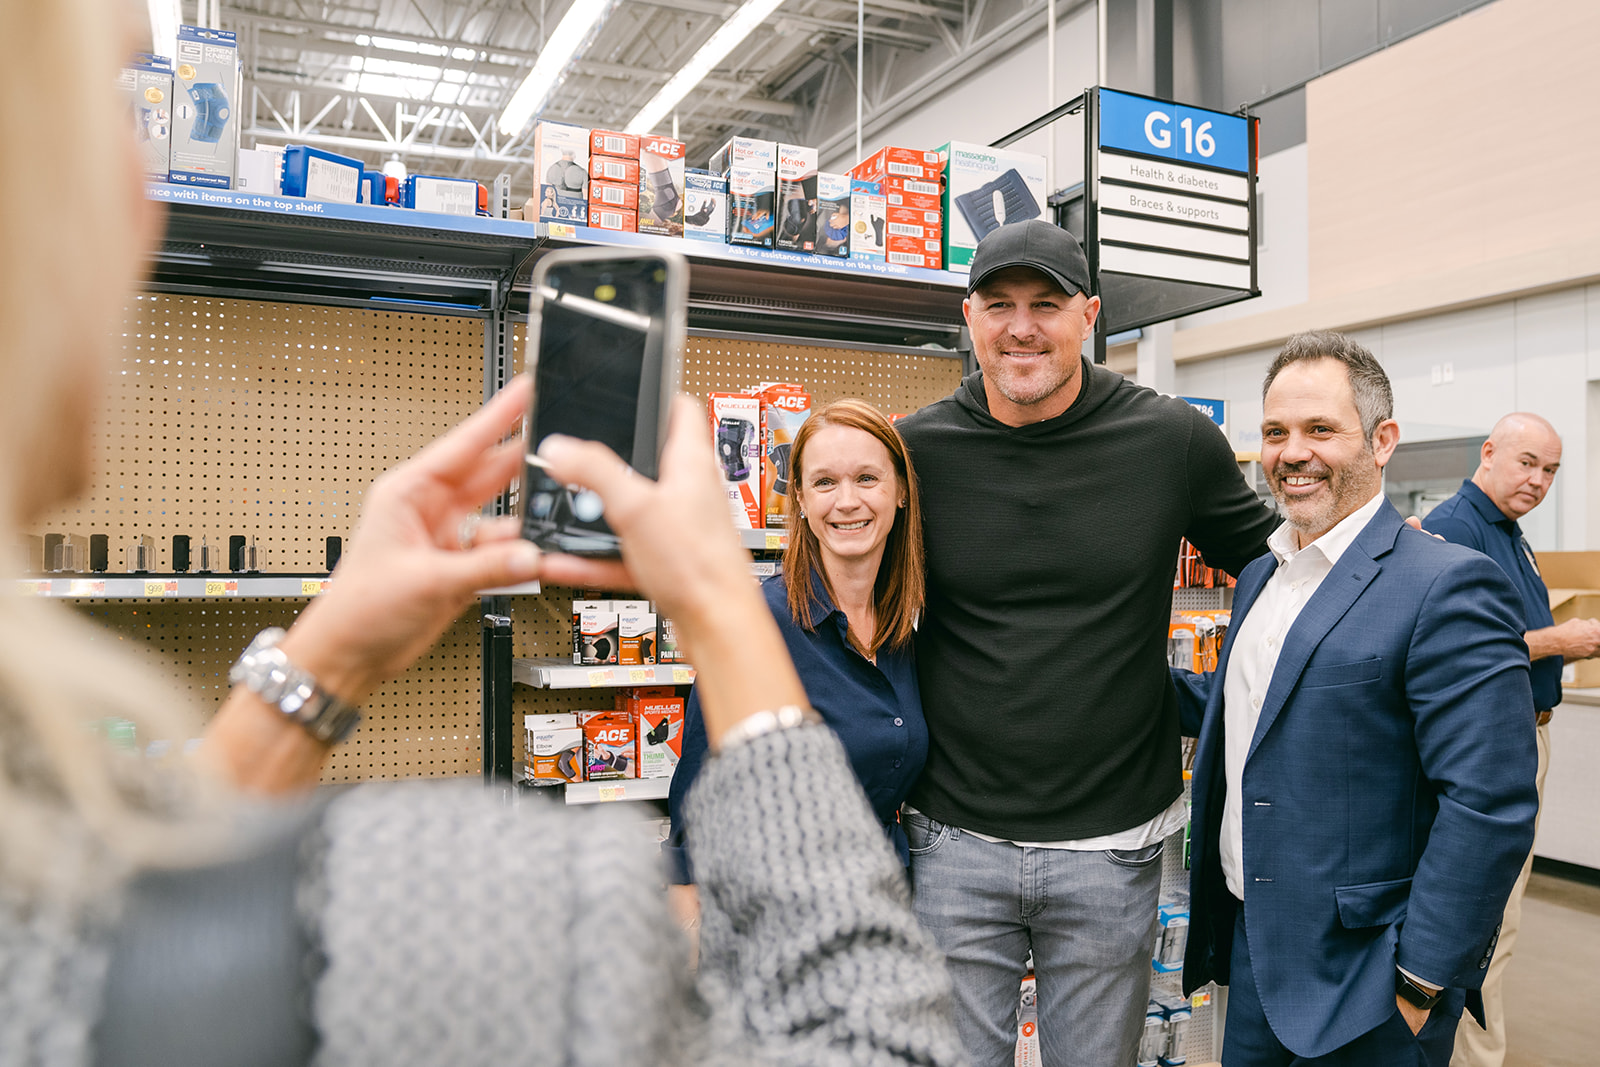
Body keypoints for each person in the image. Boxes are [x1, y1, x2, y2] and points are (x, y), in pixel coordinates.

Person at [0, 5, 967, 1064]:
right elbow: (882, 1038)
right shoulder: (522, 910)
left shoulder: (38, 850)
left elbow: (116, 912)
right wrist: (720, 607)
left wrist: (325, 658)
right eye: (109, 112)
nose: (145, 194)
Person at [893, 219, 1279, 1064]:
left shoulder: (1172, 440)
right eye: (999, 305)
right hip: (954, 840)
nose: (1021, 327)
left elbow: (1284, 569)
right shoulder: (914, 451)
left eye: (1046, 304)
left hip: (1114, 845)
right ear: (969, 317)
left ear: (1090, 316)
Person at [1170, 331, 1539, 1065]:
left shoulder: (1444, 584)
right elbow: (1246, 705)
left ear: (1382, 441)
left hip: (1369, 985)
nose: (1292, 453)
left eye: (1320, 429)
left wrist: (1420, 981)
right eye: (1275, 432)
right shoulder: (1262, 576)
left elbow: (1488, 802)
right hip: (1255, 954)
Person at [666, 400, 927, 908]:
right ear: (801, 500)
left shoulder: (906, 625)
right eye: (825, 482)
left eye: (867, 478)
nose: (847, 501)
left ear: (900, 492)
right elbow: (699, 789)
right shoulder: (758, 623)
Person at [1419, 412, 1600, 1067]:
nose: (1538, 480)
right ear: (1489, 452)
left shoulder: (1510, 534)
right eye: (1527, 463)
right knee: (1484, 918)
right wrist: (1560, 641)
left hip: (1525, 738)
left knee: (1504, 918)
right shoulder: (1453, 529)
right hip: (1485, 749)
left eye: (1550, 470)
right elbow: (1454, 648)